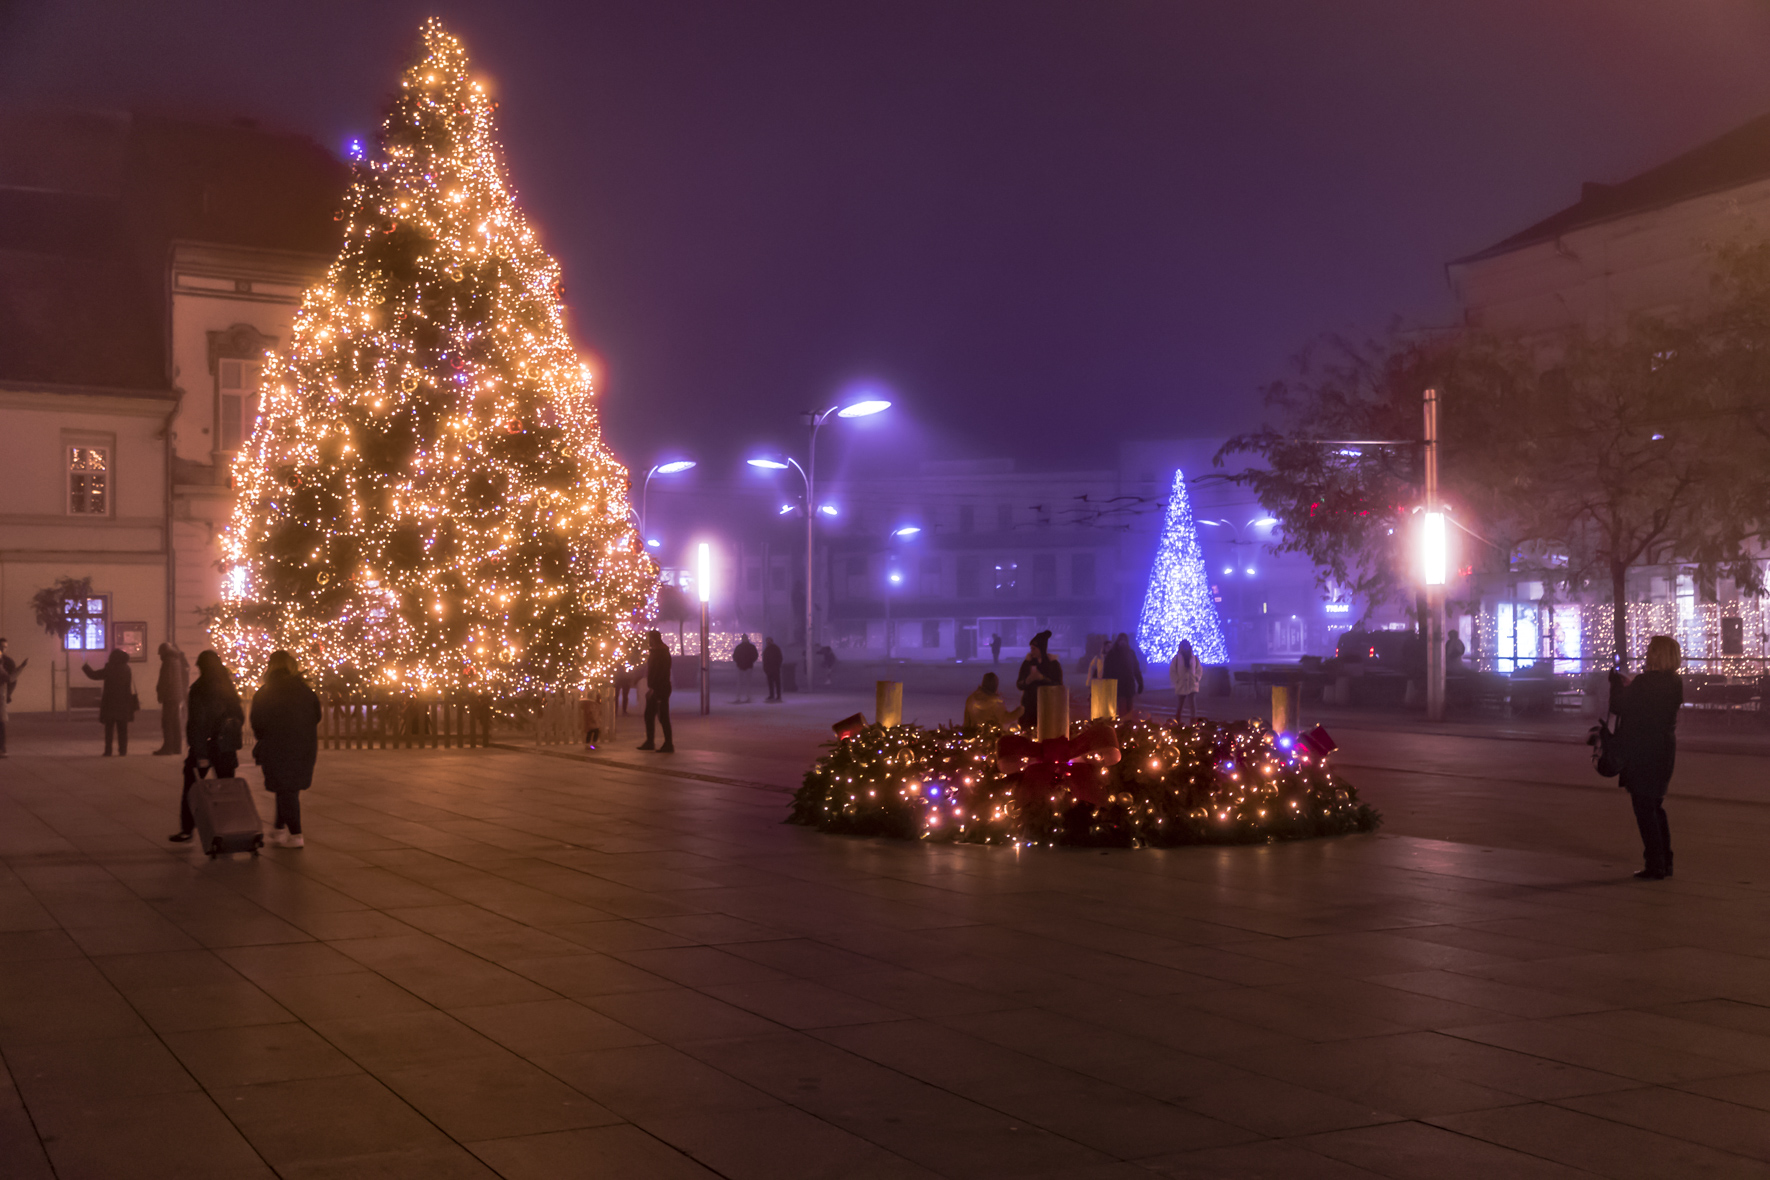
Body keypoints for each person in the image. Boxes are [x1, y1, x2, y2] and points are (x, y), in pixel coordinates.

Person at [1609, 635, 1684, 880]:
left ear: (1656, 654)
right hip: (1664, 749)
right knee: (1655, 805)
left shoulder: (1643, 682)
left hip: (1643, 750)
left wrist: (1618, 684)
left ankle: (1655, 864)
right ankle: (1665, 860)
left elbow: (1620, 706)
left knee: (1644, 808)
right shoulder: (1675, 682)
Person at [169, 651, 244, 842]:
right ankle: (229, 828)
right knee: (227, 790)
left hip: (205, 747)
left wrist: (201, 753)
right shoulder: (228, 687)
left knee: (191, 789)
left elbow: (197, 723)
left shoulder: (200, 688)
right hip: (226, 748)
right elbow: (239, 717)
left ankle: (187, 829)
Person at [250, 651, 321, 849]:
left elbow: (257, 722)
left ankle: (296, 834)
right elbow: (317, 716)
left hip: (276, 746)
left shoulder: (266, 692)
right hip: (304, 746)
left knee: (285, 789)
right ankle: (279, 829)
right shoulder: (306, 691)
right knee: (288, 789)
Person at [82, 648, 137, 756]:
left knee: (109, 729)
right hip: (123, 703)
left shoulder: (110, 668)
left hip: (110, 703)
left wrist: (86, 667)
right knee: (123, 729)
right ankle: (123, 750)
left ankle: (108, 750)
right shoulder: (127, 668)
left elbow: (95, 675)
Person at [1015, 630, 1063, 732]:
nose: (1031, 651)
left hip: (1047, 706)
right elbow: (1019, 684)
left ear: (1041, 649)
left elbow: (1059, 685)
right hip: (1029, 707)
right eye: (1031, 648)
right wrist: (1028, 680)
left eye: (1034, 649)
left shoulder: (1053, 664)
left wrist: (1042, 678)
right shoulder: (1027, 663)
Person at [637, 630, 674, 753]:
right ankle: (650, 741)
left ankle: (668, 744)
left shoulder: (660, 653)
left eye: (650, 638)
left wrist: (654, 688)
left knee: (662, 716)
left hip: (659, 689)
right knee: (649, 715)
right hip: (657, 688)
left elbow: (659, 672)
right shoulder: (658, 652)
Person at [153, 643, 190, 756]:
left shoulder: (168, 661)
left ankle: (168, 747)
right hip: (177, 695)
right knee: (175, 722)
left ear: (164, 652)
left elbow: (166, 680)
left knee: (167, 722)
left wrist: (160, 693)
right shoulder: (177, 660)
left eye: (160, 653)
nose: (160, 656)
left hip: (169, 696)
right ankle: (177, 747)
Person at [1104, 632, 1144, 717]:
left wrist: (1140, 683)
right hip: (1118, 686)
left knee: (1129, 709)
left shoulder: (1130, 653)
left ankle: (1127, 725)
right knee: (1122, 709)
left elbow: (1136, 669)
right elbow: (1107, 670)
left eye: (1124, 640)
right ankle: (1124, 726)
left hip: (1128, 685)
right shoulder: (1112, 654)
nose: (1122, 642)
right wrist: (1107, 684)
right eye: (1121, 640)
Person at [1170, 639, 1204, 723]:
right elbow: (1172, 671)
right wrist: (1177, 680)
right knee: (1180, 705)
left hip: (1192, 684)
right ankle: (1177, 722)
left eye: (1186, 646)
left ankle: (1193, 723)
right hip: (1181, 684)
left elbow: (1199, 670)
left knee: (1192, 705)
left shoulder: (1194, 658)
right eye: (1183, 646)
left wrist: (1196, 678)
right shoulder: (1177, 658)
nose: (1185, 648)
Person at [0, 637, 20, 758]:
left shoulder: (8, 662)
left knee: (1, 722)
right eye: (1, 647)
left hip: (1, 694)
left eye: (5, 647)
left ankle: (2, 747)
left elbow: (12, 680)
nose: (3, 649)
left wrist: (9, 694)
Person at [732, 634, 759, 703]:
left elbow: (735, 656)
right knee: (748, 683)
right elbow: (755, 655)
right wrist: (751, 661)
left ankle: (739, 697)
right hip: (748, 666)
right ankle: (748, 697)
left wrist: (738, 662)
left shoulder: (739, 647)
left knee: (740, 683)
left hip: (741, 666)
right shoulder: (751, 647)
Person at [762, 637, 784, 701]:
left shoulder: (772, 648)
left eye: (769, 640)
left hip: (774, 668)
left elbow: (779, 658)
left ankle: (777, 695)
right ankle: (773, 695)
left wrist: (777, 666)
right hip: (771, 668)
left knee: (776, 682)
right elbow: (765, 659)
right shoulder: (770, 649)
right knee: (771, 683)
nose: (768, 642)